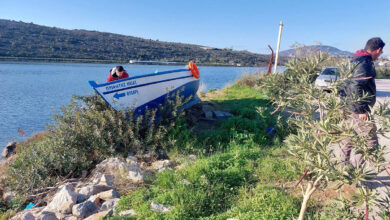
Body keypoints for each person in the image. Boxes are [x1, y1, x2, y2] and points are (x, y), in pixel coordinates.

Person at [340, 37, 385, 165]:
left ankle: (342, 171)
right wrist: (361, 110)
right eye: (381, 53)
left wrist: (342, 105)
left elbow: (343, 85)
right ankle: (355, 174)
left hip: (348, 107)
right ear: (378, 50)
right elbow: (356, 86)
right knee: (370, 142)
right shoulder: (364, 63)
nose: (380, 55)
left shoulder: (353, 60)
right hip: (358, 110)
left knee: (347, 139)